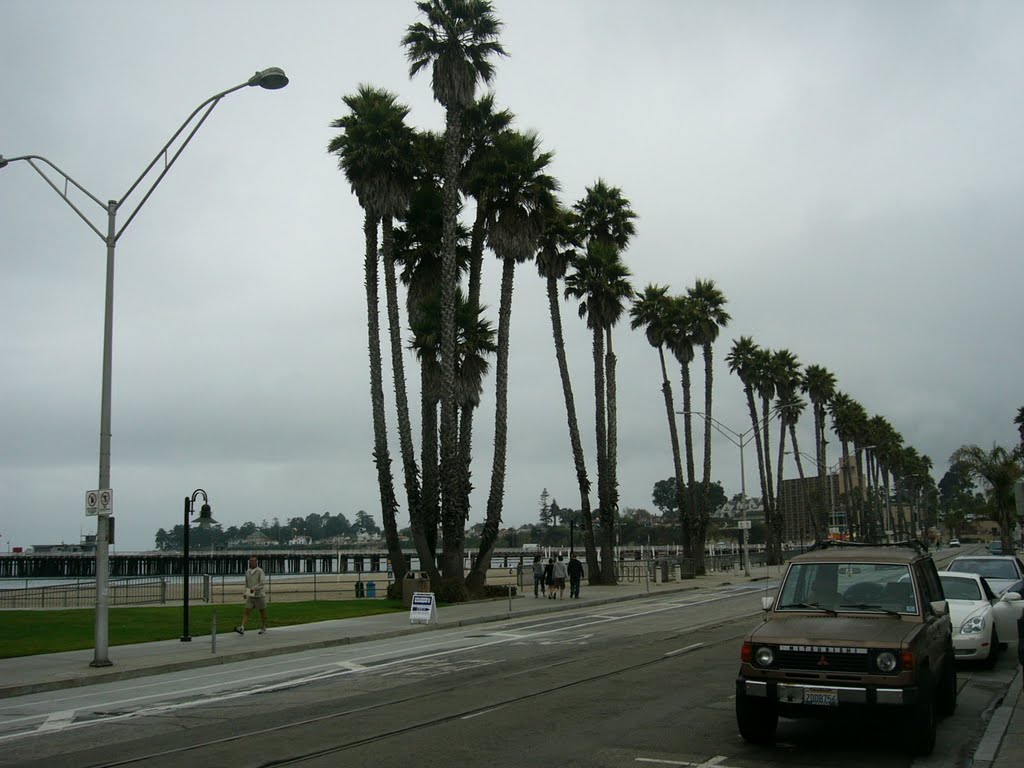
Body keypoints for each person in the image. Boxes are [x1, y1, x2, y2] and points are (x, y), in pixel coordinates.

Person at [234, 556, 268, 635]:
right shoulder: (248, 571)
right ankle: (242, 627)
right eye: (250, 561)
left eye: (253, 561)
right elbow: (246, 584)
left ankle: (263, 626)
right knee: (247, 611)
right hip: (250, 595)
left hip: (259, 595)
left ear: (256, 562)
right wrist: (245, 593)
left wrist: (254, 588)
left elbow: (262, 583)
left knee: (262, 612)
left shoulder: (260, 571)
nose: (251, 562)